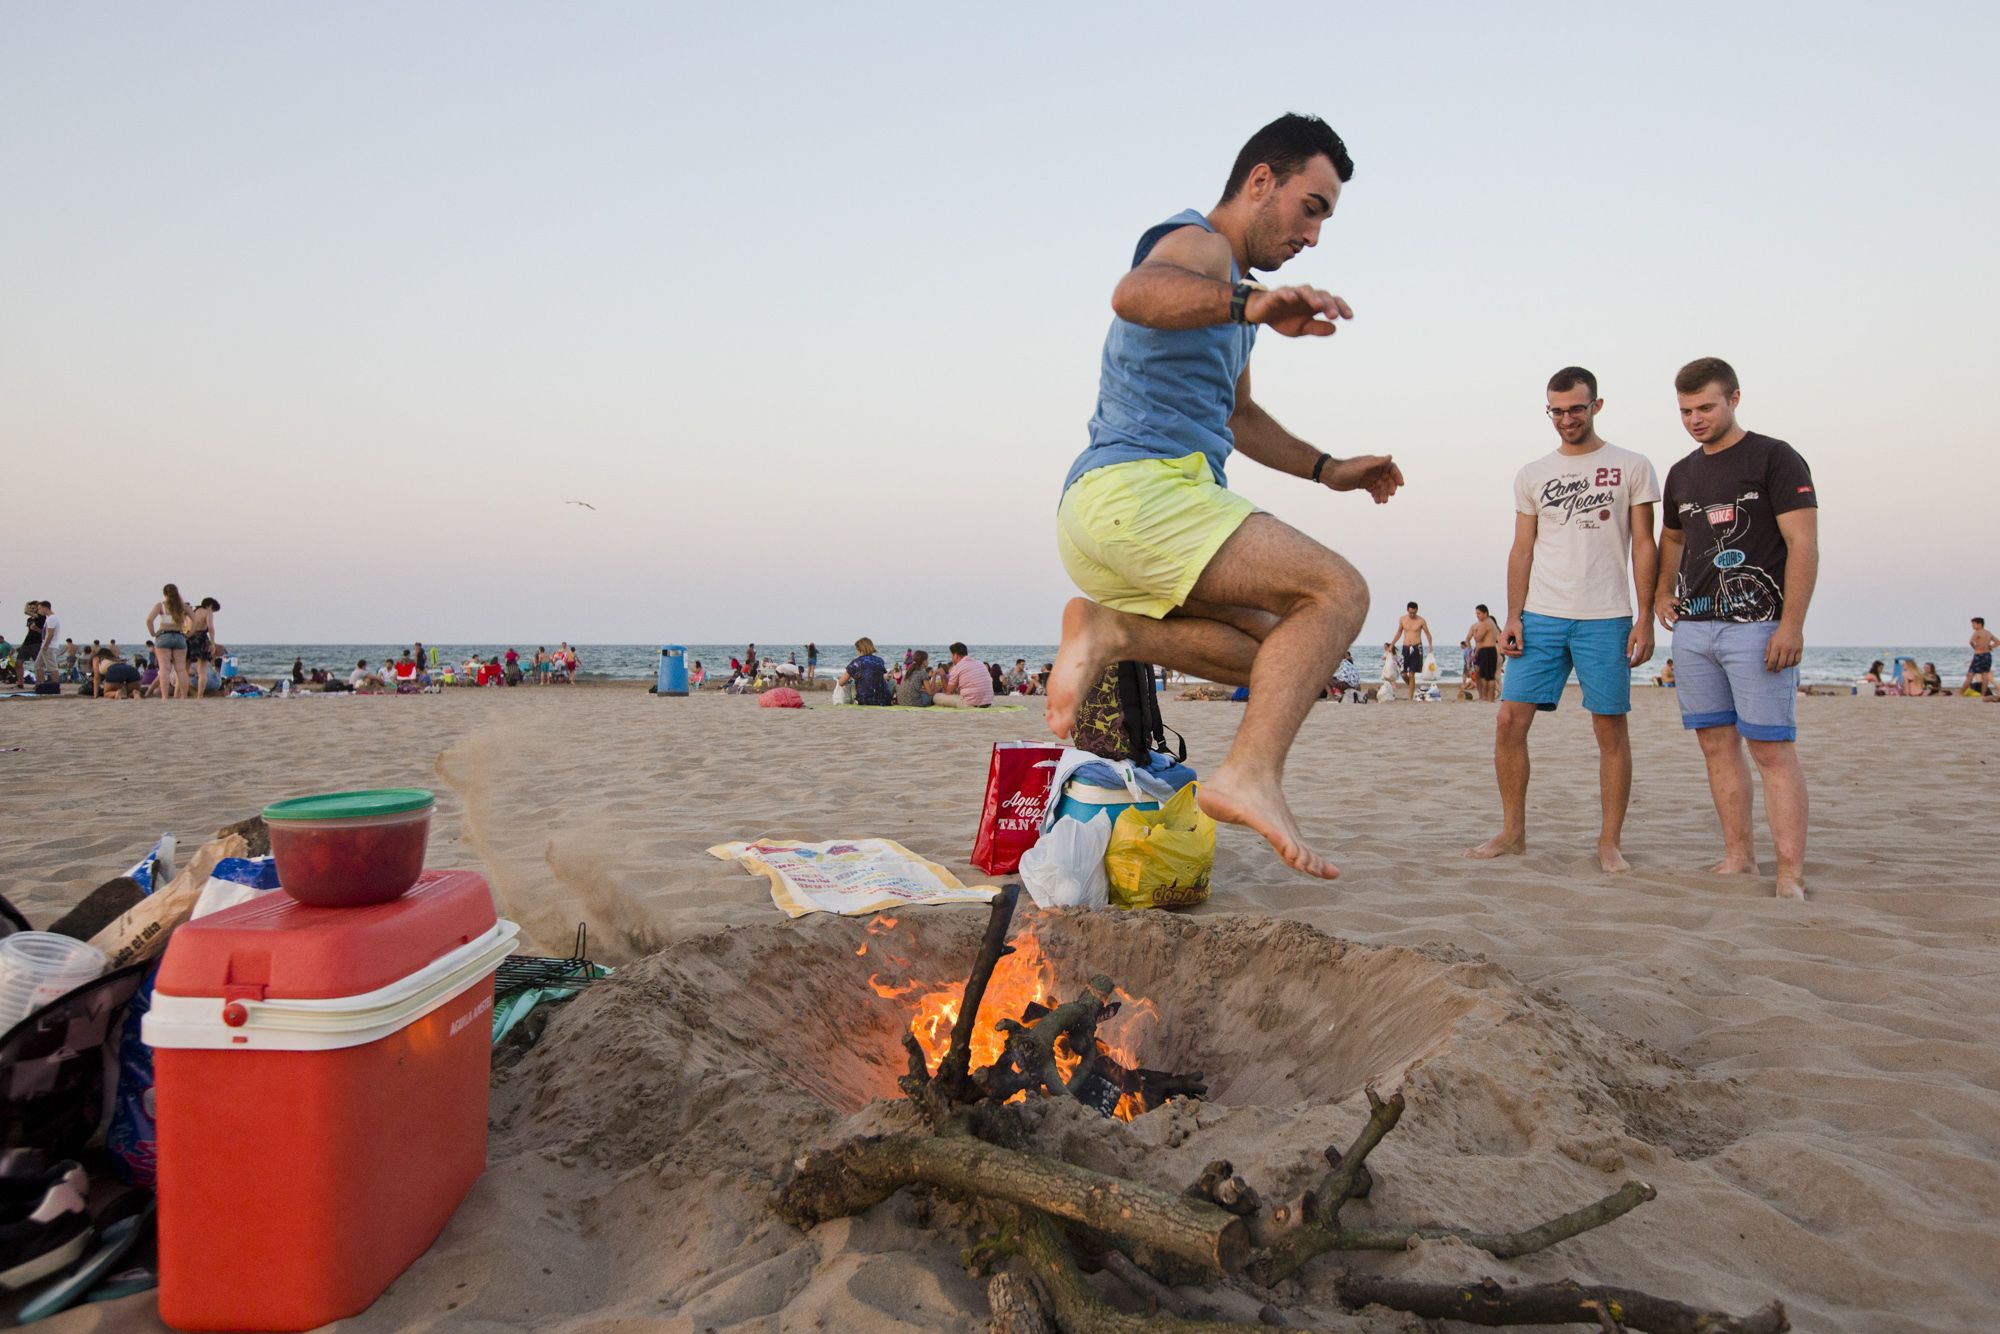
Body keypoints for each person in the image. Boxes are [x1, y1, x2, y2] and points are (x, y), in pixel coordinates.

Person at [1045, 114, 1401, 878]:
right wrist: (1247, 305)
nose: (1314, 235)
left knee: (1281, 654)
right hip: (1137, 490)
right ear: (1261, 181)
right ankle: (1248, 775)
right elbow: (1135, 292)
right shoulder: (1199, 246)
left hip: (1117, 513)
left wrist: (1328, 467)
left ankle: (1110, 631)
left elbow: (1237, 416)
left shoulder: (1236, 299)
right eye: (1313, 206)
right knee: (1338, 590)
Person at [1468, 367, 1660, 873]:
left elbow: (1644, 544)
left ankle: (1608, 842)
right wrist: (1512, 615)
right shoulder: (1532, 474)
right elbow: (1522, 547)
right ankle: (1513, 833)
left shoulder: (1632, 465)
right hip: (1541, 616)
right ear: (1547, 410)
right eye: (1557, 410)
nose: (1567, 418)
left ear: (1596, 406)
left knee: (1610, 729)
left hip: (1607, 615)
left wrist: (1645, 618)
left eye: (1577, 408)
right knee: (1509, 721)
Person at [1654, 358, 1818, 900]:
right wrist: (1660, 590)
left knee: (1771, 749)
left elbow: (1803, 544)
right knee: (1715, 746)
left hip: (1758, 627)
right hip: (1695, 630)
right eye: (1685, 411)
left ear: (1734, 399)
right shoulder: (1681, 472)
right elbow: (1673, 538)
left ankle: (1789, 874)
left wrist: (1791, 625)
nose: (1695, 419)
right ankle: (1737, 858)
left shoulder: (1775, 457)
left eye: (1706, 407)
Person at [146, 585, 192, 700]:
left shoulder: (161, 606)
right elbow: (194, 619)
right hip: (179, 636)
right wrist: (189, 634)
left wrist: (153, 633)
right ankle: (184, 697)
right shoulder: (183, 607)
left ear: (165, 593)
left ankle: (165, 697)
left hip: (164, 636)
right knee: (181, 669)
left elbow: (149, 620)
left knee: (164, 669)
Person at [933, 642, 995, 708]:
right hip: (988, 702)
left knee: (936, 697)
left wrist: (943, 677)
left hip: (970, 704)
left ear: (955, 655)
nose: (951, 658)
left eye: (951, 656)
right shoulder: (980, 664)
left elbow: (948, 692)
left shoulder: (957, 667)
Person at [1392, 603, 1432, 701]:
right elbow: (1399, 632)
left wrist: (1430, 646)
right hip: (1405, 647)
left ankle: (1410, 698)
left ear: (1417, 610)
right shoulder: (1402, 619)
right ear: (1407, 610)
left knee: (1412, 673)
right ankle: (1412, 687)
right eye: (1410, 613)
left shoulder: (1421, 621)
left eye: (1414, 613)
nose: (1412, 615)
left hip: (1417, 647)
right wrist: (1392, 644)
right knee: (1403, 673)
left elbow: (1427, 633)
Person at [1463, 605, 1502, 702]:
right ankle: (1490, 698)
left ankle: (1485, 697)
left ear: (1485, 613)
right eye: (1476, 613)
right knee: (1490, 676)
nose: (1477, 616)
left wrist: (1475, 632)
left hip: (1486, 651)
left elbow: (1478, 638)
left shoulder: (1485, 623)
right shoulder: (1492, 623)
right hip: (1490, 650)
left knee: (1485, 676)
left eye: (1479, 613)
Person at [838, 637, 892, 706]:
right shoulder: (880, 661)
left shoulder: (856, 662)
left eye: (857, 650)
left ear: (860, 649)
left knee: (852, 684)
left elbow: (841, 682)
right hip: (882, 700)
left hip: (864, 700)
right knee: (892, 682)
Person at [185, 598, 219, 697]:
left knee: (184, 670)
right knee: (202, 671)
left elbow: (186, 627)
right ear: (210, 606)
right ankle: (200, 696)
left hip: (189, 638)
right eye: (213, 609)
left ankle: (179, 694)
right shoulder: (207, 612)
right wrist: (212, 643)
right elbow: (211, 628)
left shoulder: (192, 612)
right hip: (201, 639)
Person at [1965, 617, 1997, 696]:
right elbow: (1998, 642)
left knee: (1971, 673)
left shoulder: (1977, 632)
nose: (1972, 626)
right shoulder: (1988, 633)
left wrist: (1975, 648)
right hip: (1987, 655)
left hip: (1980, 654)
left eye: (1973, 624)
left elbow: (1971, 642)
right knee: (1986, 675)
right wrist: (1990, 647)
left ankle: (1961, 692)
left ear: (1979, 624)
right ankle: (1983, 694)